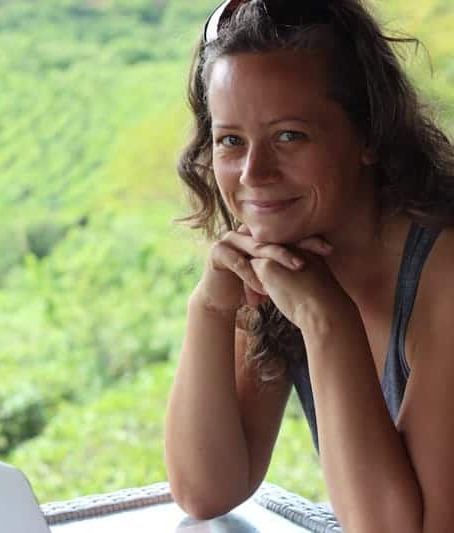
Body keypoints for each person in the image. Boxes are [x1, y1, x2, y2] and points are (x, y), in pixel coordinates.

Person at [163, 1, 454, 531]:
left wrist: (327, 321)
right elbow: (205, 490)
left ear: (368, 134)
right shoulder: (287, 261)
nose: (254, 172)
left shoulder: (445, 274)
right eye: (231, 140)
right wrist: (209, 307)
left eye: (289, 135)